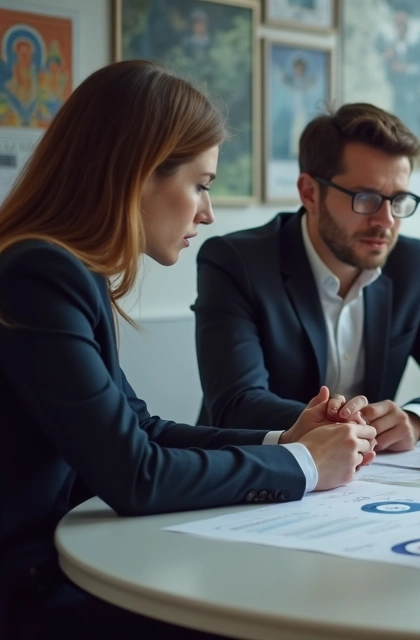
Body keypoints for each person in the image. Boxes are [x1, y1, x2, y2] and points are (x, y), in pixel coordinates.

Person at [0, 61, 376, 638]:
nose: (208, 211)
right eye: (200, 184)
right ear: (137, 173)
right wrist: (305, 465)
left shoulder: (65, 270)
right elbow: (136, 474)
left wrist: (288, 439)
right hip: (23, 590)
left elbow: (139, 428)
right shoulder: (40, 274)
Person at [194, 103, 420, 450]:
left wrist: (418, 419)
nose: (386, 221)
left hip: (360, 485)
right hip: (253, 474)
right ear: (310, 193)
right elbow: (235, 404)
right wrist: (347, 426)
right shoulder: (238, 262)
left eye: (398, 200)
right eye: (367, 198)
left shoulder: (412, 265)